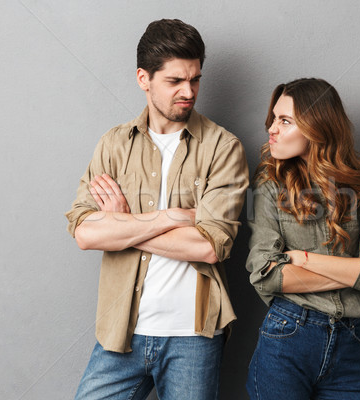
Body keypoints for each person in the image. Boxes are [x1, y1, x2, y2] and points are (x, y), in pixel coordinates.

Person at [65, 19, 248, 400]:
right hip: (121, 332)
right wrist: (168, 216)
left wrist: (122, 224)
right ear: (143, 78)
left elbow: (210, 246)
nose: (189, 91)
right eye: (175, 81)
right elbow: (84, 232)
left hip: (193, 337)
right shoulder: (114, 144)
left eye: (195, 79)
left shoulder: (222, 147)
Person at [245, 78, 360, 399]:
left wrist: (304, 259)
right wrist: (358, 267)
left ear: (317, 128)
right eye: (274, 118)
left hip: (349, 343)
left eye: (285, 121)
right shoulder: (271, 184)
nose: (271, 128)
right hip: (287, 337)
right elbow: (266, 274)